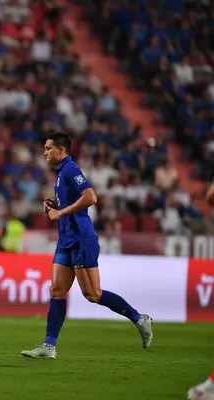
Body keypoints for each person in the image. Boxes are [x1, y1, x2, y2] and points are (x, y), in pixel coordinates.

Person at [21, 132, 152, 359]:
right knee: (57, 291)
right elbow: (74, 202)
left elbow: (91, 197)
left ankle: (140, 319)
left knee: (93, 294)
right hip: (65, 240)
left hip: (81, 239)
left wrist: (60, 211)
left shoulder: (70, 169)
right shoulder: (61, 173)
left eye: (48, 148)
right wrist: (55, 204)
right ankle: (48, 347)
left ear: (61, 149)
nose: (44, 152)